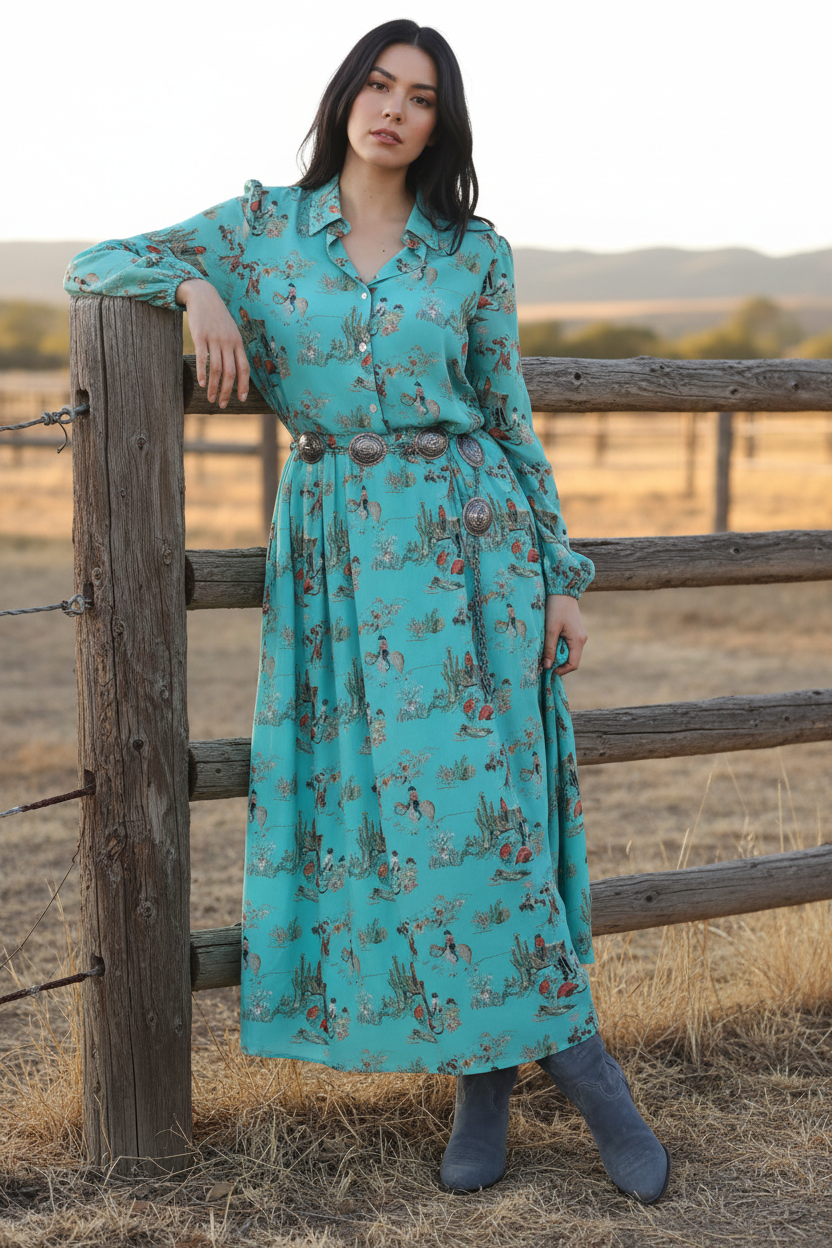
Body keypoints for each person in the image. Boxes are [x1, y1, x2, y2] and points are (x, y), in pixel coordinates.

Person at [65, 19, 670, 1203]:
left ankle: (570, 1077)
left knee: (492, 818)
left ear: (443, 125)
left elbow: (506, 415)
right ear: (345, 95)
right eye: (379, 85)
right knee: (407, 820)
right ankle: (505, 1069)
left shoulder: (472, 253)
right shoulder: (256, 232)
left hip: (477, 545)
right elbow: (93, 261)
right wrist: (193, 287)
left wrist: (559, 574)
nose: (394, 109)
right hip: (345, 563)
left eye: (423, 98)